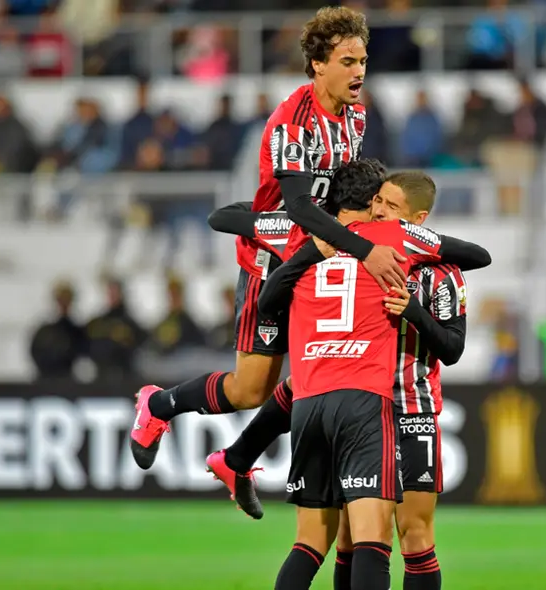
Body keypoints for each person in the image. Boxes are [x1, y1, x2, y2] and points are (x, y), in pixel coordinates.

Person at [128, 6, 408, 471]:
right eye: (347, 62)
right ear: (318, 64)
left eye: (362, 61)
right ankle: (159, 406)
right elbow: (298, 206)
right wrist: (367, 250)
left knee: (324, 368)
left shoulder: (355, 117)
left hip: (320, 257)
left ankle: (241, 461)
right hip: (272, 261)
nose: (359, 71)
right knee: (249, 389)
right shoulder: (292, 120)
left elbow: (339, 193)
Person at [212, 170, 464, 590]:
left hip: (411, 408)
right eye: (378, 200)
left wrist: (413, 312)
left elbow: (453, 348)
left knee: (415, 534)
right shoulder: (347, 249)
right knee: (351, 536)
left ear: (418, 220)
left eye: (392, 206)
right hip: (363, 403)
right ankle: (236, 455)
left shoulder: (441, 271)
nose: (380, 211)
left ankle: (237, 455)